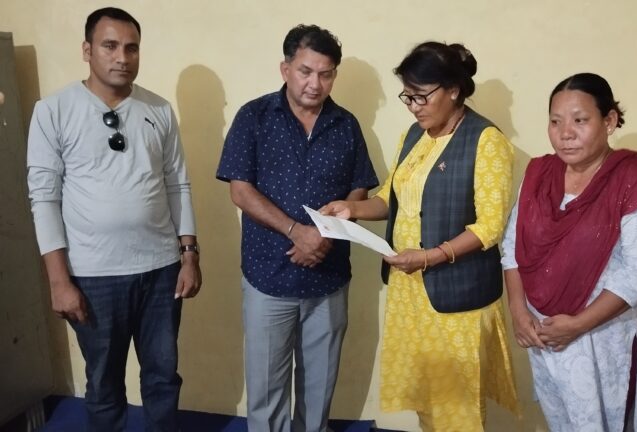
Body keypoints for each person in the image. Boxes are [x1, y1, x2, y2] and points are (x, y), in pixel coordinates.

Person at [321, 41, 519, 431]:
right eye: (407, 97)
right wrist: (350, 209)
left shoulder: (486, 140)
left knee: (458, 409)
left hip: (456, 297)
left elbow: (489, 226)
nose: (413, 107)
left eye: (421, 96)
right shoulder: (415, 136)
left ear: (454, 90)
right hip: (410, 291)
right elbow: (390, 198)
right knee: (428, 402)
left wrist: (428, 257)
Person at [26, 7, 201, 432]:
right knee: (103, 384)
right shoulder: (53, 111)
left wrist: (189, 255)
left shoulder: (158, 110)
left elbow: (178, 184)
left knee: (163, 377)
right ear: (87, 50)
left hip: (161, 271)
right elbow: (44, 198)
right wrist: (59, 282)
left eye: (131, 48)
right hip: (93, 276)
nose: (122, 57)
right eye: (110, 46)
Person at [215, 24, 378, 432]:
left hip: (328, 277)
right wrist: (296, 231)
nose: (314, 84)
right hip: (268, 277)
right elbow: (240, 189)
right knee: (267, 392)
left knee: (319, 392)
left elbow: (359, 185)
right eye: (305, 71)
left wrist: (326, 234)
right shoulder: (254, 117)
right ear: (285, 68)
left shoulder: (346, 124)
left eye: (325, 74)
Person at [501, 72, 637, 431]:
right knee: (561, 423)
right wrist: (519, 312)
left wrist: (578, 325)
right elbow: (512, 245)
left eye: (580, 120)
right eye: (555, 122)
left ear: (609, 121)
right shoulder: (539, 175)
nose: (565, 133)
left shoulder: (636, 182)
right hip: (544, 334)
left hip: (604, 337)